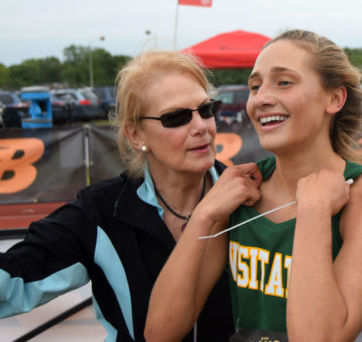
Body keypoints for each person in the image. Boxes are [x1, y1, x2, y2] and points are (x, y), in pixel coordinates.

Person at [146, 29, 362, 341]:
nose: (261, 99)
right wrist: (204, 215)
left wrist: (313, 212)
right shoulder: (241, 194)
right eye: (255, 86)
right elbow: (160, 331)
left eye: (284, 82)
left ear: (334, 98)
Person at [0, 50, 261, 341]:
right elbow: (11, 283)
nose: (201, 127)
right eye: (176, 118)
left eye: (206, 109)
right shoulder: (99, 212)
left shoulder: (254, 199)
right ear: (136, 135)